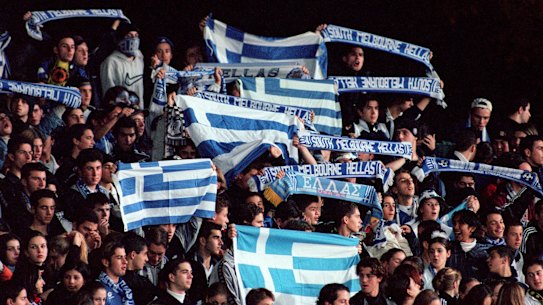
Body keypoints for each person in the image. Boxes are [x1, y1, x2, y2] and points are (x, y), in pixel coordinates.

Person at [100, 22, 144, 110]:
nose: (133, 39)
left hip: (138, 112)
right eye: (129, 35)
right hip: (120, 115)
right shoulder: (111, 62)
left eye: (136, 35)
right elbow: (109, 94)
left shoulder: (139, 58)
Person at [121, 232, 157, 305]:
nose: (147, 259)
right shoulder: (116, 281)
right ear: (133, 255)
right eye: (145, 254)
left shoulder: (144, 282)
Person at [97, 240, 134, 305]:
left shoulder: (125, 288)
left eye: (125, 257)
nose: (125, 261)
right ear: (106, 262)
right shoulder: (97, 288)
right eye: (119, 258)